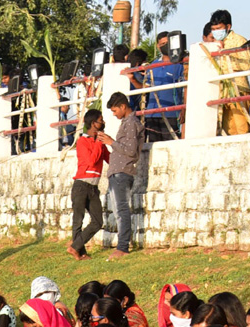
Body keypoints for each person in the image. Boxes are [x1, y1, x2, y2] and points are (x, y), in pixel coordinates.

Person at [100, 92, 142, 259]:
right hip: (118, 171)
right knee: (118, 209)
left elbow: (131, 151)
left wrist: (111, 142)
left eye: (115, 110)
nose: (114, 113)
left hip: (122, 171)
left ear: (123, 107)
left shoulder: (131, 123)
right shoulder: (127, 122)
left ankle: (123, 247)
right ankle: (122, 245)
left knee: (121, 209)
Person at [68, 110, 110, 260]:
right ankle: (80, 252)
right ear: (93, 124)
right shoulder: (83, 142)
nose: (103, 123)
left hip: (93, 187)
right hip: (81, 185)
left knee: (98, 221)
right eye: (100, 120)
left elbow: (109, 159)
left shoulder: (99, 142)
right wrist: (99, 142)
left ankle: (74, 246)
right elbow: (92, 161)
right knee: (78, 221)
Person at [210, 9, 250, 135]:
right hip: (222, 91)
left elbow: (245, 65)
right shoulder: (213, 43)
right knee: (226, 129)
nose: (216, 32)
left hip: (238, 88)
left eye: (219, 28)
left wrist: (224, 54)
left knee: (241, 127)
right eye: (214, 29)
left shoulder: (239, 40)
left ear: (228, 27)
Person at [145, 31, 186, 141]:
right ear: (158, 46)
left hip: (172, 113)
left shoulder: (180, 65)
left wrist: (183, 109)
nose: (165, 46)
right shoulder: (152, 65)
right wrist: (132, 78)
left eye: (167, 43)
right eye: (162, 44)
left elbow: (186, 88)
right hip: (152, 114)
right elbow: (145, 87)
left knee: (172, 145)